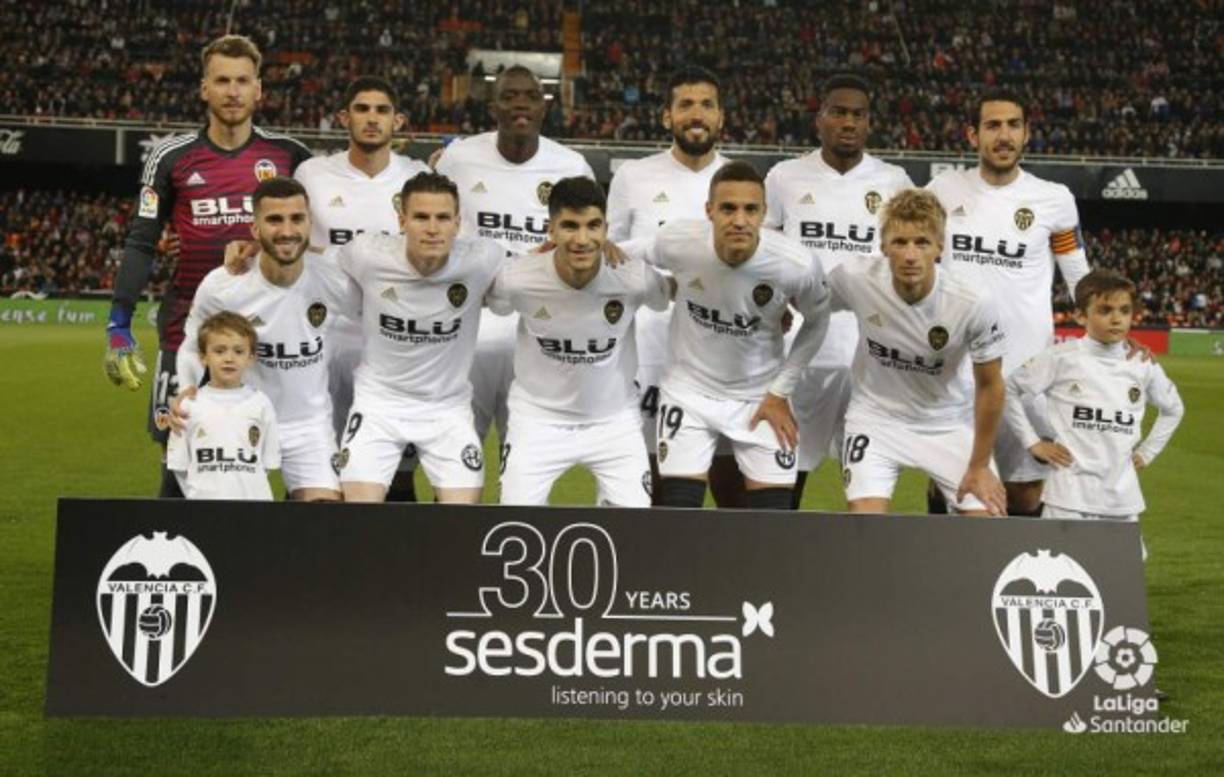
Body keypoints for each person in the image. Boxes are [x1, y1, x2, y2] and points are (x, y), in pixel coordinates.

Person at [104, 34, 311, 497]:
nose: (233, 91)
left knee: (286, 455)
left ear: (259, 90)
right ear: (204, 89)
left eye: (242, 81)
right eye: (222, 81)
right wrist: (119, 322)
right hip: (188, 333)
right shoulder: (172, 158)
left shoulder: (289, 156)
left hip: (270, 335)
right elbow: (140, 242)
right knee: (180, 457)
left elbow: (325, 230)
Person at [628, 161, 831, 510]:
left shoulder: (794, 264)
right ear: (709, 211)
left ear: (764, 213)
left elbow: (818, 321)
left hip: (760, 397)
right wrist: (573, 248)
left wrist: (780, 390)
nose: (739, 220)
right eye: (728, 208)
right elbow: (630, 252)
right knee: (677, 515)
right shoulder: (679, 241)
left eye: (751, 209)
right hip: (688, 393)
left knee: (772, 525)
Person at [926, 88, 1090, 515]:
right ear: (971, 135)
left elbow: (1078, 275)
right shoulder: (942, 190)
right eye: (992, 125)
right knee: (951, 484)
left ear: (1027, 133)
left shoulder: (1053, 199)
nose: (1003, 135)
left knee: (1025, 491)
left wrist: (1111, 334)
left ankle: (1016, 580)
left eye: (1013, 125)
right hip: (956, 368)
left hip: (1027, 371)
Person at [764, 74, 914, 508]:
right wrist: (775, 303)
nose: (848, 122)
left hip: (871, 352)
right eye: (839, 112)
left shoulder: (894, 180)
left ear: (869, 124)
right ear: (820, 119)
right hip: (802, 349)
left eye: (858, 114)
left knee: (868, 477)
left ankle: (857, 569)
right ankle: (779, 562)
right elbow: (766, 253)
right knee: (788, 465)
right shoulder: (784, 177)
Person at [434, 65, 596, 463]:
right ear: (494, 106)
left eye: (529, 96)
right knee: (456, 455)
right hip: (468, 326)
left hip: (539, 329)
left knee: (524, 457)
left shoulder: (571, 166)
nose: (520, 104)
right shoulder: (457, 159)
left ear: (544, 106)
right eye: (509, 96)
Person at [488, 177, 671, 506]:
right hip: (538, 420)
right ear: (551, 229)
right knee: (514, 522)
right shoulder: (518, 278)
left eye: (593, 226)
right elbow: (490, 301)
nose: (583, 239)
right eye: (570, 226)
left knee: (634, 531)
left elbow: (673, 295)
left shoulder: (633, 277)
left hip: (614, 421)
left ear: (606, 228)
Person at [605, 65, 740, 507]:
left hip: (725, 355)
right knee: (657, 488)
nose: (696, 114)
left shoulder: (741, 182)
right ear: (668, 117)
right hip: (650, 350)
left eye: (706, 105)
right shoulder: (633, 177)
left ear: (721, 117)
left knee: (731, 487)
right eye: (685, 105)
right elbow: (611, 257)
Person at [828, 189, 1007, 516]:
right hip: (876, 419)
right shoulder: (854, 278)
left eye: (922, 242)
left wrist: (980, 465)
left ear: (940, 247)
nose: (910, 255)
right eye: (900, 242)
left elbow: (991, 385)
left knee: (987, 527)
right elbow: (808, 301)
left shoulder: (972, 302)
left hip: (948, 422)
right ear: (883, 246)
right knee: (863, 524)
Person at [294, 75, 431, 502]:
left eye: (382, 110)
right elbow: (291, 240)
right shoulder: (312, 174)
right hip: (325, 339)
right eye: (362, 109)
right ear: (343, 117)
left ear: (399, 121)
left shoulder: (418, 177)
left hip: (391, 342)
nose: (372, 119)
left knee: (397, 475)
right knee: (318, 468)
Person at [176, 177, 351, 502]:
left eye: (296, 219)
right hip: (240, 417)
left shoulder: (333, 279)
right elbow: (191, 344)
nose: (287, 230)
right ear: (254, 230)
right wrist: (186, 387)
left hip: (308, 427)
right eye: (274, 220)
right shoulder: (224, 285)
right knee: (236, 527)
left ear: (310, 224)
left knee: (326, 525)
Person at [335, 172, 504, 504]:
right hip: (379, 405)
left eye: (443, 218)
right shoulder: (367, 254)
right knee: (357, 519)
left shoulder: (483, 259)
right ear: (402, 220)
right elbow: (309, 262)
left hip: (447, 409)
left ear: (458, 223)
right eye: (421, 217)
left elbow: (535, 274)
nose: (432, 228)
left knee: (461, 524)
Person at [1003, 269, 1183, 525]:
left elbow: (1174, 409)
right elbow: (1009, 389)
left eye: (1124, 310)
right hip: (1067, 499)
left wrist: (1147, 452)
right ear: (1080, 315)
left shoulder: (1142, 363)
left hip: (1122, 500)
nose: (1116, 319)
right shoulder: (1061, 358)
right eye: (1105, 310)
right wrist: (1033, 443)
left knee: (1123, 566)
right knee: (1060, 565)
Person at [167, 311, 280, 500]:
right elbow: (180, 466)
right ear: (203, 357)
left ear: (250, 358)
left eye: (238, 351)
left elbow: (267, 464)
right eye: (219, 351)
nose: (229, 358)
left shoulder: (261, 403)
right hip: (205, 510)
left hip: (255, 509)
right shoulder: (188, 405)